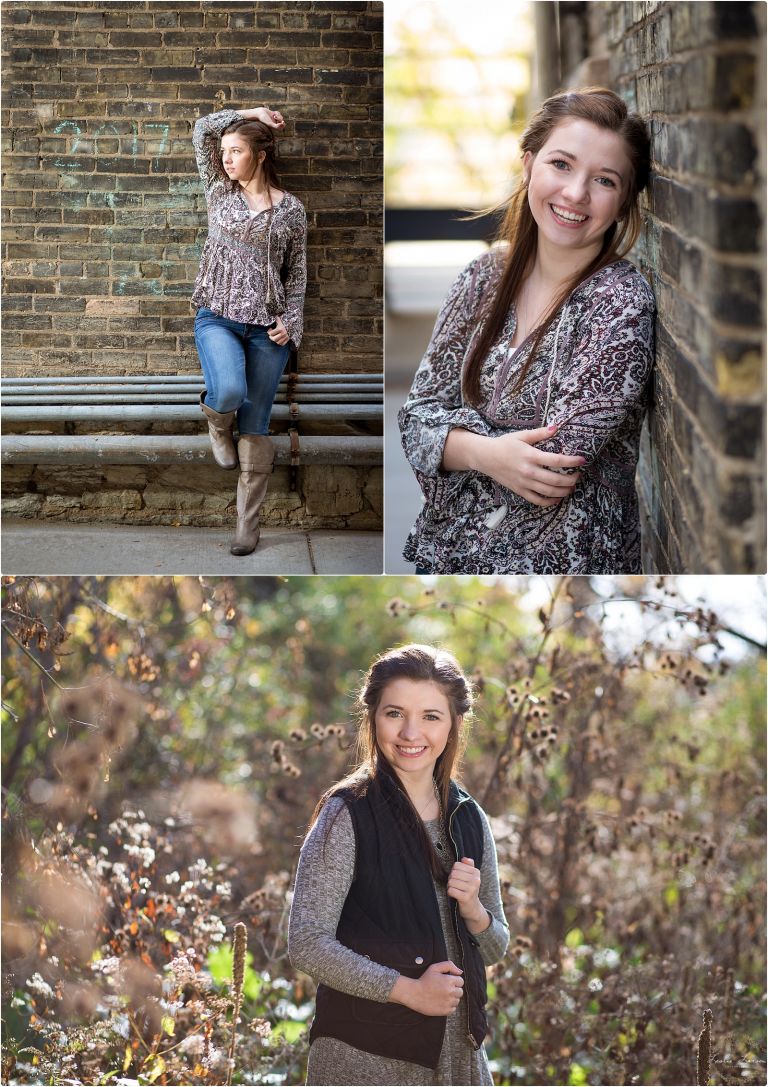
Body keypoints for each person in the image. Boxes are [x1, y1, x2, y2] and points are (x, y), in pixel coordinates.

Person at [398, 87, 655, 574]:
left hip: (559, 567)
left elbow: (552, 467)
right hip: (451, 558)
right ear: (528, 165)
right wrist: (487, 452)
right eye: (561, 164)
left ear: (623, 202)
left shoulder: (620, 305)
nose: (575, 193)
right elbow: (414, 420)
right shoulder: (481, 278)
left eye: (604, 180)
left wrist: (456, 443)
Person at [288, 644, 510, 1087]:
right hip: (365, 1059)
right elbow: (306, 943)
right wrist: (408, 991)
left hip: (460, 1058)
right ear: (372, 716)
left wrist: (473, 910)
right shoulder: (346, 813)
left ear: (454, 723)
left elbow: (494, 947)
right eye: (395, 713)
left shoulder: (469, 817)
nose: (411, 732)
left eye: (431, 716)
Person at [191, 105, 307, 556]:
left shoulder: (291, 211)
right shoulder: (219, 192)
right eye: (224, 151)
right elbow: (202, 128)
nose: (226, 158)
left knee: (256, 427)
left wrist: (290, 323)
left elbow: (297, 275)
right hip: (217, 317)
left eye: (236, 151)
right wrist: (253, 111)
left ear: (260, 155)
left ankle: (247, 525)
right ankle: (218, 426)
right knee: (229, 392)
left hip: (267, 330)